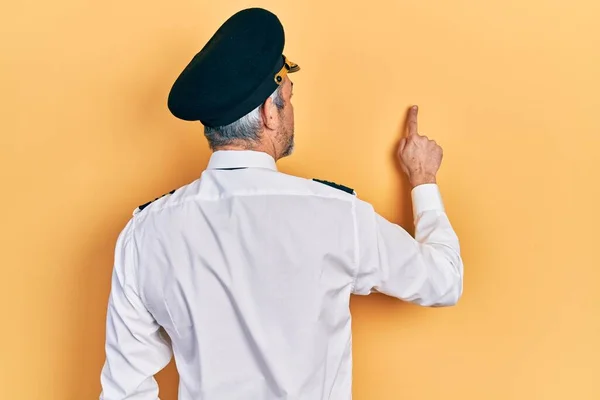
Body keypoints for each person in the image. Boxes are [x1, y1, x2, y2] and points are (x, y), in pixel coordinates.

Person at [99, 7, 463, 400]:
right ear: (269, 113)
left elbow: (124, 389)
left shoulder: (146, 232)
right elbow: (444, 281)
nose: (290, 109)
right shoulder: (337, 214)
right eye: (288, 98)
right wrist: (423, 180)